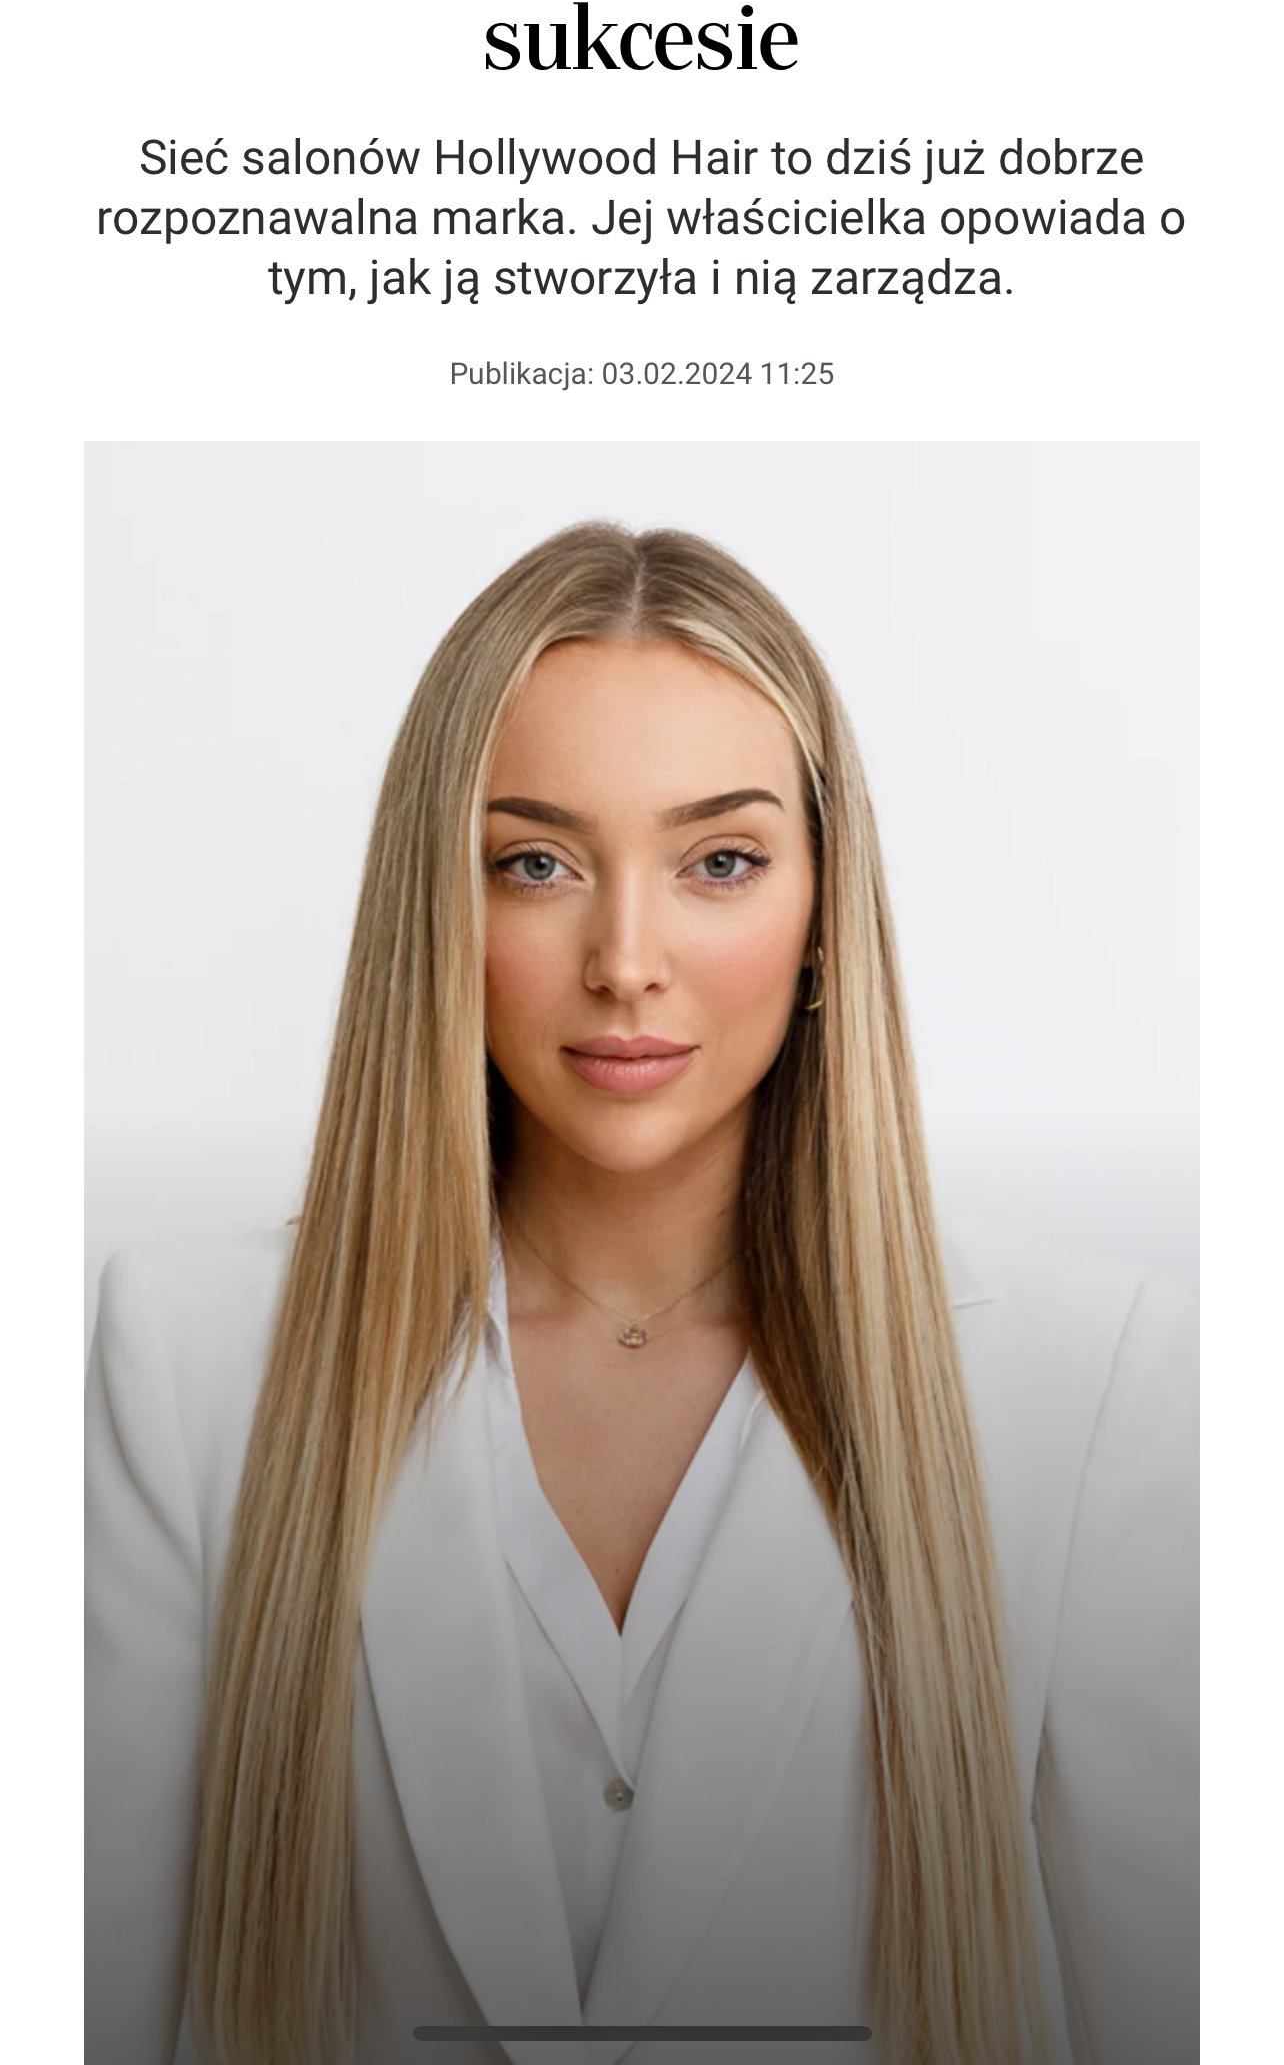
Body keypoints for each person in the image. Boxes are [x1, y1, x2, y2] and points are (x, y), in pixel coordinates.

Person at [85, 519, 1197, 2065]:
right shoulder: (190, 1363)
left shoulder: (1096, 1385)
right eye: (535, 862)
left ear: (823, 915)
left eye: (719, 861)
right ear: (438, 913)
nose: (625, 959)